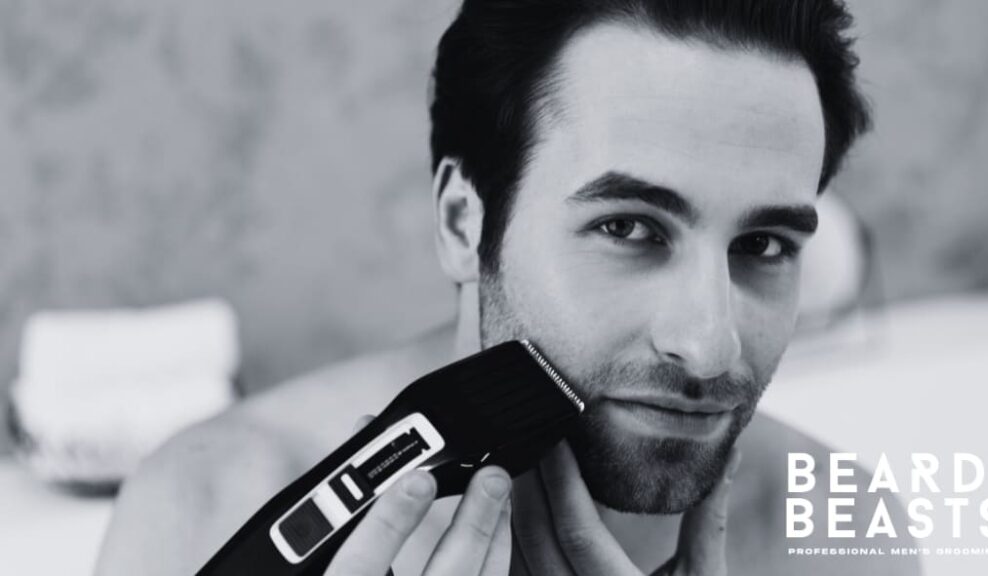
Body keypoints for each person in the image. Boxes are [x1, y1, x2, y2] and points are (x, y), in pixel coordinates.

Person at [96, 1, 920, 574]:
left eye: (763, 244)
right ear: (463, 222)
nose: (709, 344)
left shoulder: (836, 531)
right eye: (629, 229)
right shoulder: (210, 512)